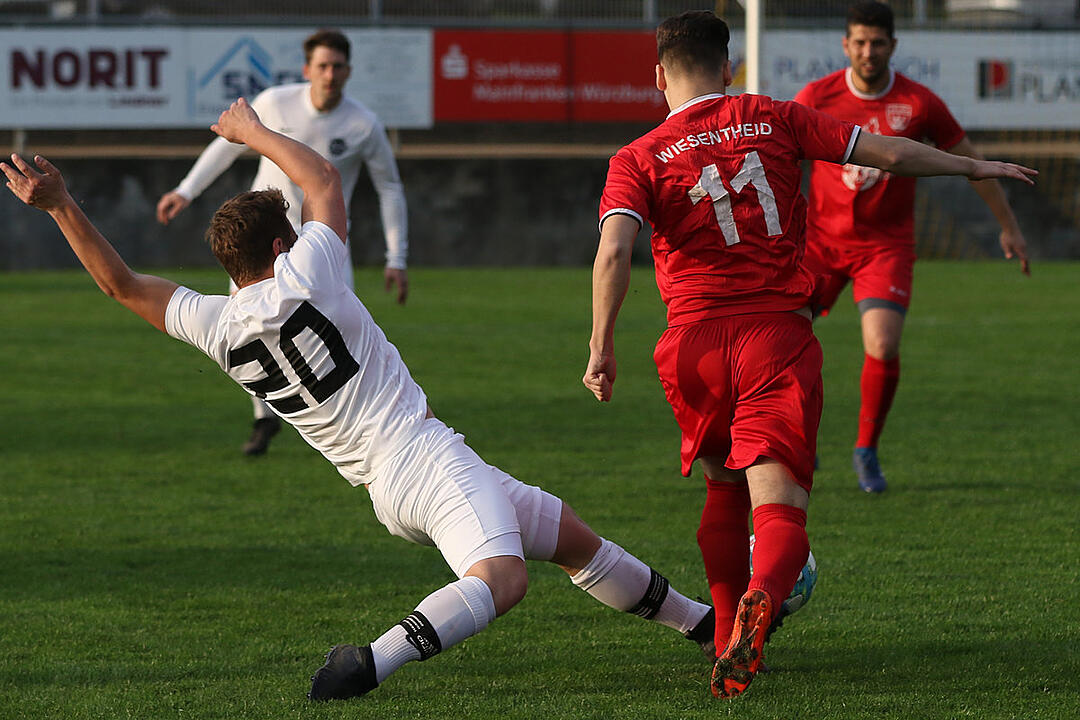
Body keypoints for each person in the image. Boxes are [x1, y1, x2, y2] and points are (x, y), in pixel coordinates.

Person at [2, 99, 718, 703]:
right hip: (424, 457)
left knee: (572, 540)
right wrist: (252, 131)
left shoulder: (215, 327)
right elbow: (319, 177)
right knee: (503, 579)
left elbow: (122, 284)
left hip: (384, 489)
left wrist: (61, 204)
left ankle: (703, 625)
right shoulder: (309, 273)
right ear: (284, 245)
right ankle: (371, 662)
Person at [583, 10, 1035, 699]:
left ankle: (729, 625)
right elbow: (889, 153)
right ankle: (764, 599)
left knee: (721, 489)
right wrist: (971, 165)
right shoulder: (778, 117)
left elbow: (614, 249)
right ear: (728, 68)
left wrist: (601, 346)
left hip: (693, 347)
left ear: (658, 77)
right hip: (775, 336)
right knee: (781, 508)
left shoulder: (639, 155)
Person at [793, 1, 1031, 493]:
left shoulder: (919, 103)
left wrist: (1008, 225)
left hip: (885, 245)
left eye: (878, 43)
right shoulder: (817, 96)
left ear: (893, 46)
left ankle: (866, 451)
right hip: (821, 242)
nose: (868, 51)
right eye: (859, 42)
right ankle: (798, 437)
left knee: (882, 342)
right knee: (786, 336)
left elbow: (972, 164)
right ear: (845, 45)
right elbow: (780, 158)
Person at [157, 29, 410, 457]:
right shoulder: (275, 102)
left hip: (319, 243)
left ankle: (344, 417)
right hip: (259, 244)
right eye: (322, 66)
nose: (330, 74)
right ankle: (263, 419)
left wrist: (396, 255)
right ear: (307, 69)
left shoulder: (363, 123)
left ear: (348, 71)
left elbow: (390, 188)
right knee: (247, 327)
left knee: (337, 328)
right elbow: (227, 145)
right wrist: (186, 189)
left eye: (338, 66)